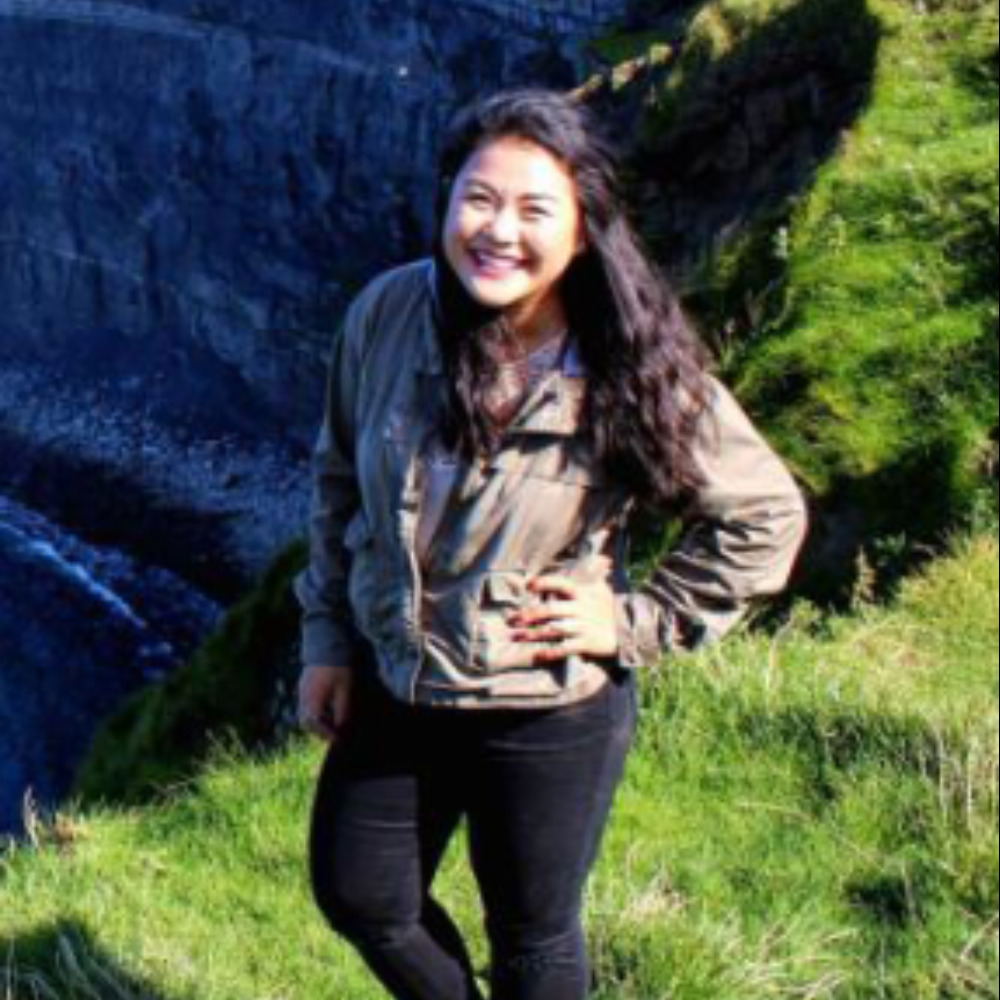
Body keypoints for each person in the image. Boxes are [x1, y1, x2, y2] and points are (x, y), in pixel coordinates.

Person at [293, 87, 808, 1000]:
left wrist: (636, 621)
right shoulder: (387, 312)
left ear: (582, 231)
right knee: (361, 892)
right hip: (396, 677)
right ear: (447, 200)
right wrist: (327, 642)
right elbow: (339, 483)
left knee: (531, 937)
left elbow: (765, 515)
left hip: (544, 704)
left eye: (536, 210)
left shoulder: (625, 361)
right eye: (478, 199)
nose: (498, 231)